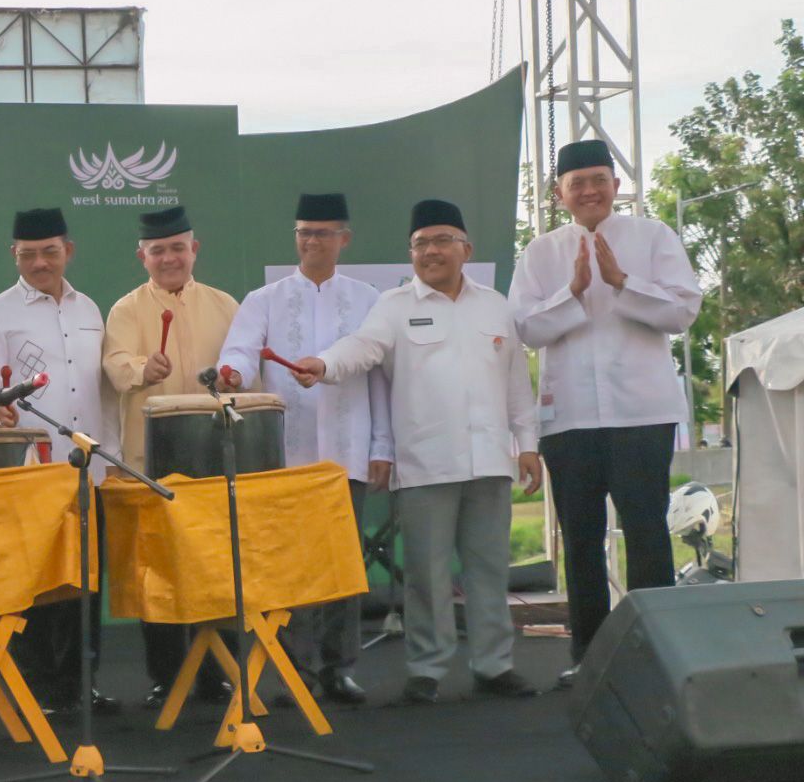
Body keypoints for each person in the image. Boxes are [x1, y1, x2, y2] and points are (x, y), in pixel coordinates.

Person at [294, 199, 541, 705]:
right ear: (411, 253)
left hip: (491, 460)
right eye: (421, 243)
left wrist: (529, 446)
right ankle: (427, 668)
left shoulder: (496, 305)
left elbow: (517, 385)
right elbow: (361, 347)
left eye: (442, 240)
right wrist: (323, 364)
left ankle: (495, 665)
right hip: (425, 463)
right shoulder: (394, 306)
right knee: (426, 576)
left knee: (490, 569)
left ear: (465, 248)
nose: (431, 251)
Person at [508, 139, 702, 689]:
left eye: (599, 179)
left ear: (616, 186)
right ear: (559, 193)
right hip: (568, 419)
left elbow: (684, 310)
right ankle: (588, 656)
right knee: (581, 540)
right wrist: (571, 292)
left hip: (641, 412)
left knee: (646, 532)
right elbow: (526, 329)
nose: (589, 191)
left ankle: (657, 657)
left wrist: (622, 283)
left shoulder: (653, 237)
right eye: (577, 183)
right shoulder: (541, 253)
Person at [217, 192, 392, 706]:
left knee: (342, 562)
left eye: (321, 233)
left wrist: (381, 444)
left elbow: (378, 379)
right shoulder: (264, 299)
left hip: (347, 450)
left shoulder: (368, 300)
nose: (311, 242)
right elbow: (241, 352)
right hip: (284, 457)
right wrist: (233, 373)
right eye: (303, 233)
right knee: (290, 565)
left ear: (344, 239)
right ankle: (295, 669)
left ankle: (339, 668)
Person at [0, 207, 122, 716]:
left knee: (86, 579)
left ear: (68, 252)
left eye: (49, 252)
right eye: (28, 254)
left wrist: (114, 457)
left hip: (89, 465)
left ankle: (82, 683)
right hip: (34, 472)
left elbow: (102, 389)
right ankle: (38, 689)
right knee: (39, 583)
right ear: (13, 255)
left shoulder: (90, 309)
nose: (40, 263)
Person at [102, 204, 239, 708]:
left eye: (177, 247)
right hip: (150, 461)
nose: (168, 258)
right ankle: (165, 676)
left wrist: (234, 378)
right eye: (157, 250)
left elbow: (246, 369)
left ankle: (217, 673)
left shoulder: (226, 305)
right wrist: (144, 367)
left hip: (212, 458)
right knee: (158, 572)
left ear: (194, 249)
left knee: (217, 567)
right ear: (143, 256)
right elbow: (115, 366)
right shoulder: (125, 310)